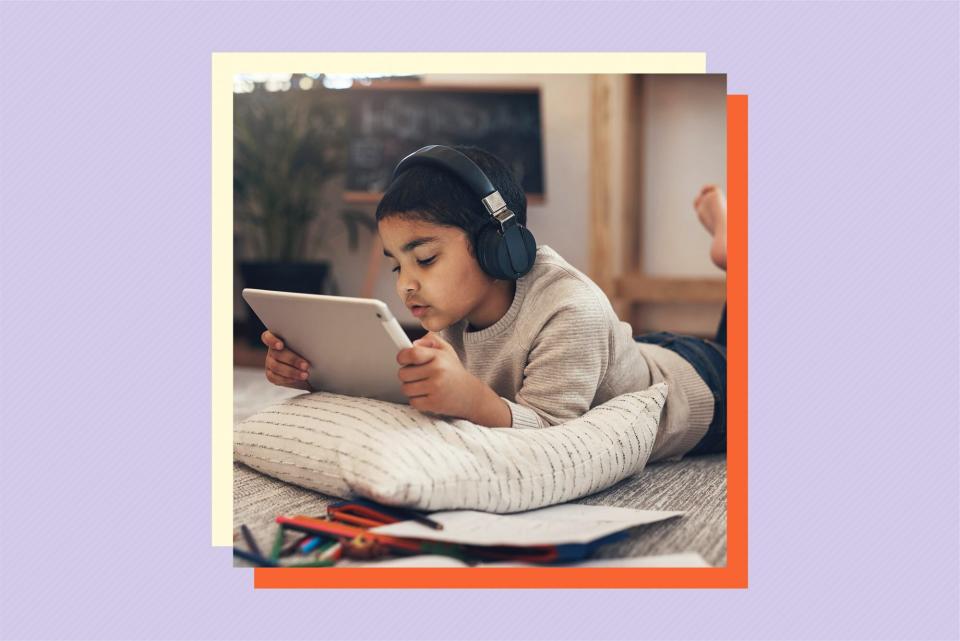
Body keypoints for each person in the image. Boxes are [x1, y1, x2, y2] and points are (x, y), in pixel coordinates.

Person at [261, 145, 727, 461]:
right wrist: (318, 373)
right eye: (397, 265)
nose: (406, 284)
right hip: (637, 352)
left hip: (705, 386)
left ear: (498, 246)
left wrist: (473, 399)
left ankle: (732, 245)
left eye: (425, 258)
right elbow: (410, 398)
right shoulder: (450, 309)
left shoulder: (571, 309)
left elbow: (558, 443)